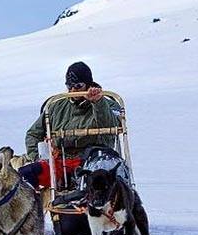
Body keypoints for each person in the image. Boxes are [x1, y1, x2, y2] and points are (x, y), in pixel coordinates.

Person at [19, 61, 123, 189]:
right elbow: (33, 134)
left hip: (93, 162)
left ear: (88, 84)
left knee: (93, 182)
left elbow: (110, 127)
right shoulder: (56, 106)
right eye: (69, 86)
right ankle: (32, 206)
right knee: (25, 175)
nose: (73, 90)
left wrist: (98, 103)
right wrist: (40, 156)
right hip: (60, 163)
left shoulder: (108, 105)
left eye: (78, 86)